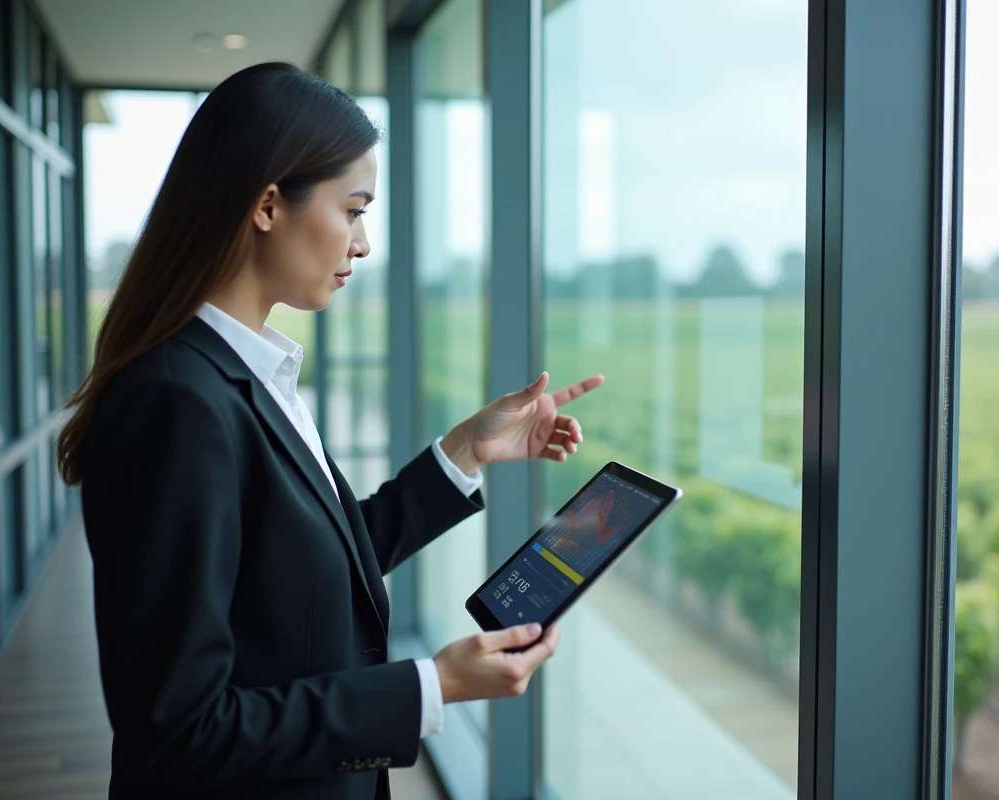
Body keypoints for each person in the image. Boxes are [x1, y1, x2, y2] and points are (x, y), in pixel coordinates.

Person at [56, 61, 603, 800]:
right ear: (268, 206)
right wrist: (432, 685)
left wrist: (464, 451)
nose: (363, 243)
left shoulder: (246, 371)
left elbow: (299, 571)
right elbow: (178, 729)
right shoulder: (177, 402)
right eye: (353, 210)